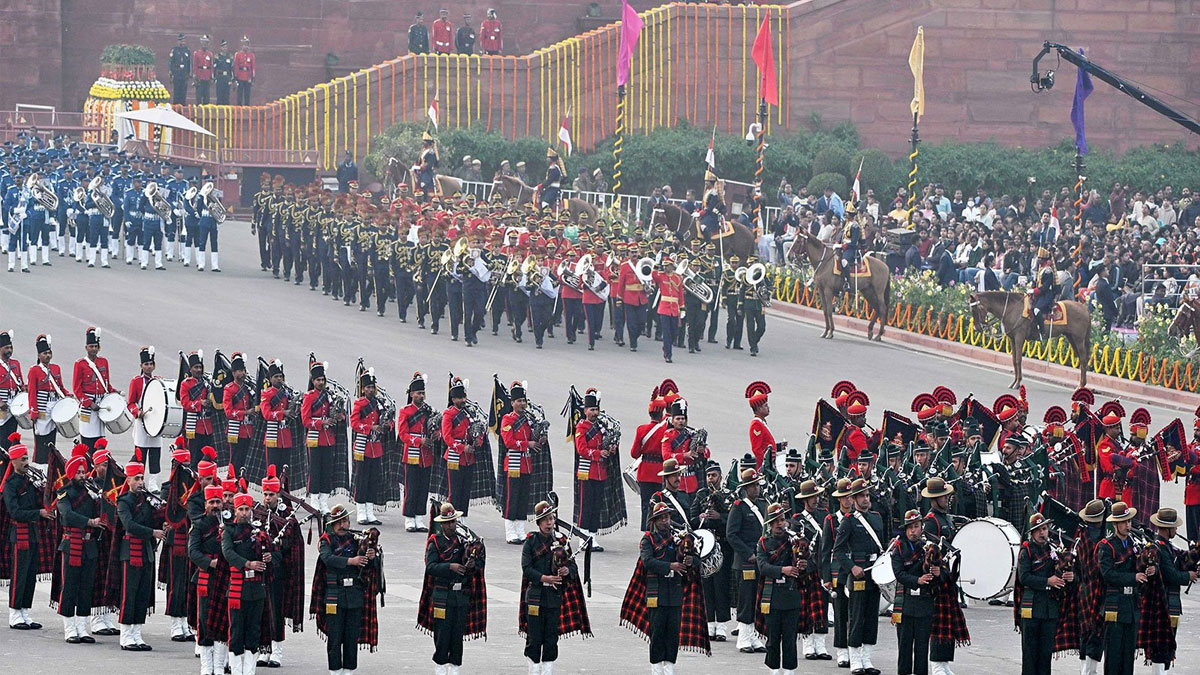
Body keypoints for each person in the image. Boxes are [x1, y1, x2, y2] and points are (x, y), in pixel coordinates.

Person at [619, 501, 710, 674]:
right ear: (654, 521)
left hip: (675, 591)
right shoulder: (648, 539)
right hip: (656, 592)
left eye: (667, 517)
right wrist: (670, 566)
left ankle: (670, 667)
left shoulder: (681, 537)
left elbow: (696, 558)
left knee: (673, 633)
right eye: (661, 518)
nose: (665, 521)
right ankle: (656, 668)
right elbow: (647, 562)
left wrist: (691, 561)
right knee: (658, 632)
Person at [520, 500, 590, 674]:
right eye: (545, 520)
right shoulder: (531, 542)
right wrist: (545, 578)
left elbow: (573, 566)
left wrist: (568, 570)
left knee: (551, 637)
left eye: (551, 519)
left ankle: (547, 671)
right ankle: (534, 670)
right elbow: (526, 568)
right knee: (534, 637)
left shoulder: (562, 541)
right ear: (538, 523)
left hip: (553, 597)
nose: (549, 523)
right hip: (535, 595)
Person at [312, 503, 381, 675]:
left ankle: (348, 671)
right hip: (334, 594)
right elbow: (327, 558)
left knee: (351, 637)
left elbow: (368, 567)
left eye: (346, 521)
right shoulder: (326, 540)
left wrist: (371, 557)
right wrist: (351, 561)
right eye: (339, 522)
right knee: (335, 638)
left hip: (354, 594)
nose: (344, 525)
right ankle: (335, 671)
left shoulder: (356, 539)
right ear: (332, 524)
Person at [419, 502, 487, 675]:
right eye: (448, 522)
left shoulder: (464, 540)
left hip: (460, 596)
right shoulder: (434, 542)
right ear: (442, 524)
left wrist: (472, 564)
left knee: (457, 635)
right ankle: (440, 668)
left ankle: (455, 668)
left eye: (453, 521)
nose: (451, 525)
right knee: (442, 635)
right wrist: (450, 566)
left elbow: (476, 565)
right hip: (442, 596)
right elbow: (431, 567)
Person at [833, 477, 885, 675]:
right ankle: (855, 660)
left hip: (875, 573)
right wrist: (852, 567)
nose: (865, 499)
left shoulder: (877, 517)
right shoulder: (848, 521)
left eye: (867, 495)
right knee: (856, 617)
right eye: (861, 496)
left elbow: (883, 546)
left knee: (872, 616)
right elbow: (837, 550)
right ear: (853, 499)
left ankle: (867, 659)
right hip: (858, 574)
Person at [2, 434, 51, 630]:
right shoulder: (10, 485)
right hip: (18, 534)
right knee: (19, 574)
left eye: (26, 458)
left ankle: (25, 611)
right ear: (13, 461)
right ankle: (14, 613)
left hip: (32, 532)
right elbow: (14, 511)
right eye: (22, 459)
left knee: (31, 574)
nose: (26, 462)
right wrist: (38, 513)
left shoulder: (30, 481)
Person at [115, 451, 163, 651]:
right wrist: (153, 531)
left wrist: (163, 521)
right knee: (130, 592)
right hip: (130, 551)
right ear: (129, 479)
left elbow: (154, 518)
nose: (141, 482)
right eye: (137, 478)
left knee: (143, 592)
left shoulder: (147, 499)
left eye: (142, 478)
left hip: (146, 552)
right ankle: (126, 635)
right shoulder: (123, 501)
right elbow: (130, 525)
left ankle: (137, 633)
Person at [1139, 507, 1196, 674]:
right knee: (1161, 648)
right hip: (1163, 604)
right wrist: (1188, 576)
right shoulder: (1159, 548)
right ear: (1167, 528)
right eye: (1175, 527)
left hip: (1169, 603)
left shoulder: (1166, 546)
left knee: (1166, 647)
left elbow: (1183, 558)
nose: (1177, 530)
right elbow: (1170, 575)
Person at [921, 477, 969, 674]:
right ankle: (937, 665)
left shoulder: (946, 518)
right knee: (939, 623)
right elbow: (929, 553)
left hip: (948, 577)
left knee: (948, 622)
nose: (948, 498)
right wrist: (937, 570)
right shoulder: (930, 522)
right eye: (944, 496)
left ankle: (945, 663)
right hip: (938, 579)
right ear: (935, 498)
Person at [221, 491, 270, 674]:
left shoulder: (258, 531)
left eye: (246, 509)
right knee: (236, 632)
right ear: (235, 510)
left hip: (256, 589)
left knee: (254, 632)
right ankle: (236, 670)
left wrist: (269, 555)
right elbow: (228, 553)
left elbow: (272, 551)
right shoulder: (229, 531)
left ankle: (249, 671)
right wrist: (248, 564)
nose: (243, 512)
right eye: (240, 509)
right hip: (236, 589)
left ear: (251, 511)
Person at [756, 502, 806, 675]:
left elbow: (810, 564)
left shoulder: (795, 540)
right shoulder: (763, 543)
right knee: (773, 636)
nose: (779, 524)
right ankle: (774, 668)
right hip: (771, 596)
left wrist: (803, 564)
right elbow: (762, 567)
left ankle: (790, 669)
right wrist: (781, 570)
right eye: (775, 520)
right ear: (769, 524)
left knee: (790, 637)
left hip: (791, 594)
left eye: (782, 520)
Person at [1016, 513, 1070, 675]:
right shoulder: (1027, 551)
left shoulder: (1055, 550)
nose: (1042, 533)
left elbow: (1063, 575)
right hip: (1031, 608)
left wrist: (1070, 577)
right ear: (1032, 533)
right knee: (1030, 654)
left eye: (1045, 529)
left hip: (1050, 608)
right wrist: (1047, 581)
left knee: (1045, 655)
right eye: (1038, 530)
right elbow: (1024, 577)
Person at [1096, 502, 1143, 675]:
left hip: (1130, 605)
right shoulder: (1106, 546)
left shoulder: (1134, 544)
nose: (1128, 525)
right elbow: (1108, 575)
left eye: (1129, 521)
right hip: (1114, 604)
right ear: (1115, 524)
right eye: (1123, 522)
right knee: (1114, 655)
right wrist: (1133, 577)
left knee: (1128, 656)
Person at [188, 483, 228, 675]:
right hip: (205, 578)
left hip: (225, 580)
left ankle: (219, 665)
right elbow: (193, 552)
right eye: (211, 502)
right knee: (204, 622)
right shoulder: (198, 525)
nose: (215, 506)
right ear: (205, 504)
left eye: (218, 502)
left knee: (222, 621)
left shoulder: (229, 524)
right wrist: (209, 563)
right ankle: (206, 665)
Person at [690, 460, 733, 642]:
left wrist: (720, 517)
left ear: (720, 476)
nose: (711, 479)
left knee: (721, 585)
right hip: (704, 546)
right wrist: (700, 517)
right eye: (708, 475)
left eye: (714, 475)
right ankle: (709, 624)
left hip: (722, 545)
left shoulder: (728, 495)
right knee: (706, 586)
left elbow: (733, 520)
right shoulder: (700, 495)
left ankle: (721, 625)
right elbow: (691, 519)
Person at [727, 467, 767, 654]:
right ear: (745, 487)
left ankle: (754, 636)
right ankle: (743, 638)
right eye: (752, 485)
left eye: (757, 485)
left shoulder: (762, 505)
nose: (756, 489)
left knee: (757, 599)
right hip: (745, 562)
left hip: (760, 558)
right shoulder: (738, 507)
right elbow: (732, 535)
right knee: (746, 599)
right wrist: (748, 554)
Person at [499, 381, 545, 544]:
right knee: (513, 497)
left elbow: (532, 437)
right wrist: (527, 444)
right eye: (519, 401)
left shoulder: (528, 419)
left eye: (524, 401)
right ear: (512, 403)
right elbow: (509, 442)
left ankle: (520, 529)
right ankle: (510, 530)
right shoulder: (507, 419)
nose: (522, 404)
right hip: (513, 462)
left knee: (523, 498)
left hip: (526, 463)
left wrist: (540, 438)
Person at [573, 387, 616, 551]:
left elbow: (606, 443)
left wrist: (611, 449)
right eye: (592, 409)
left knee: (596, 506)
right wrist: (599, 453)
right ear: (585, 410)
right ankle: (583, 538)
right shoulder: (581, 427)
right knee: (586, 506)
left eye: (596, 409)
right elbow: (581, 450)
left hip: (600, 472)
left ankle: (592, 537)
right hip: (587, 471)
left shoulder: (601, 426)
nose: (595, 412)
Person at [300, 359, 344, 515]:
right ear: (313, 381)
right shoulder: (309, 397)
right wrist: (322, 422)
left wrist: (339, 417)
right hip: (314, 437)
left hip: (328, 439)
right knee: (315, 470)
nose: (321, 382)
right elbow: (305, 420)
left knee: (327, 470)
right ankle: (314, 500)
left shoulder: (329, 395)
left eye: (322, 380)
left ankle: (324, 502)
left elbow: (338, 413)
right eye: (318, 380)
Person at [892, 508, 933, 675]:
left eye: (916, 526)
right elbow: (899, 573)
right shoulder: (899, 549)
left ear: (922, 527)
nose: (912, 531)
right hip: (906, 604)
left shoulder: (929, 547)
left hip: (924, 604)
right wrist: (917, 580)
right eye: (909, 527)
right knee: (904, 646)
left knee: (922, 647)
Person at [350, 366, 392, 525]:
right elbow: (354, 423)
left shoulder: (379, 403)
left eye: (373, 387)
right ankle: (361, 511)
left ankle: (370, 511)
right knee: (362, 479)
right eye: (368, 387)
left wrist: (388, 425)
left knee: (373, 480)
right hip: (363, 445)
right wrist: (369, 428)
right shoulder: (360, 404)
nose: (371, 390)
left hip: (376, 447)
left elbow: (387, 420)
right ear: (363, 389)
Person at [396, 372, 434, 532]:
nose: (421, 396)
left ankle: (419, 517)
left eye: (422, 393)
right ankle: (409, 518)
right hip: (411, 454)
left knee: (423, 488)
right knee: (411, 488)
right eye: (418, 393)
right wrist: (419, 441)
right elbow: (403, 434)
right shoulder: (405, 411)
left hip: (426, 455)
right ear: (411, 394)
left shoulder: (428, 411)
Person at [72, 326, 116, 453]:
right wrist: (89, 404)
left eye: (96, 346)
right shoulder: (80, 364)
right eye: (91, 346)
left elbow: (106, 385)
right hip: (88, 408)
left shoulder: (104, 362)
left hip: (101, 407)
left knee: (100, 442)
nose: (94, 349)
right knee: (87, 441)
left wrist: (115, 393)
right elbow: (77, 390)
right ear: (86, 347)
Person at [630, 386, 669, 528]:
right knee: (659, 502)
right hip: (659, 471)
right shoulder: (665, 430)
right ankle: (657, 529)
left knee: (646, 503)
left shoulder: (641, 429)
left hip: (644, 471)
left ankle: (646, 529)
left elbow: (634, 453)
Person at [26, 333, 65, 464]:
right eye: (44, 353)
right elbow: (32, 392)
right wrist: (34, 412)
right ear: (38, 355)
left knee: (51, 441)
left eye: (49, 353)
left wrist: (68, 396)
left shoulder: (56, 368)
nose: (47, 355)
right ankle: (39, 467)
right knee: (40, 442)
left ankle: (49, 468)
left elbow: (60, 387)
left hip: (54, 408)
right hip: (42, 410)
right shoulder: (34, 370)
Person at [179, 350, 216, 468]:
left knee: (207, 458)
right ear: (190, 369)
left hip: (207, 425)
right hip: (194, 426)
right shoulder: (186, 384)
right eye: (196, 367)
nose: (199, 370)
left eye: (200, 367)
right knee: (194, 459)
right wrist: (200, 403)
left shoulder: (207, 382)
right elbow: (185, 403)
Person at [221, 352, 255, 473]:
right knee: (235, 460)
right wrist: (246, 412)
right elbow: (229, 412)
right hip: (236, 430)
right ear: (234, 373)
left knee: (246, 461)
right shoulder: (229, 389)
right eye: (239, 371)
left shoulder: (249, 387)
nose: (243, 373)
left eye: (243, 370)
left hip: (248, 430)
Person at [651, 253, 684, 363]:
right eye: (664, 265)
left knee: (674, 332)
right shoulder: (661, 276)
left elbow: (680, 295)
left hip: (674, 309)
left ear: (672, 266)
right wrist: (656, 265)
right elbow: (654, 276)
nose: (665, 267)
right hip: (664, 308)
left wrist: (682, 307)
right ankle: (668, 354)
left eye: (667, 265)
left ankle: (667, 347)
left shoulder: (678, 278)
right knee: (666, 332)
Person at [0, 330, 24, 447]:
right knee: (2, 436)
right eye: (6, 348)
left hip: (14, 407)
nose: (9, 350)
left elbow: (20, 384)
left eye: (10, 347)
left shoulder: (16, 364)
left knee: (12, 438)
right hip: (1, 408)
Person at [169, 33, 191, 105]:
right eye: (181, 40)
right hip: (177, 72)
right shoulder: (175, 50)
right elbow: (171, 62)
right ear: (178, 41)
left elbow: (189, 63)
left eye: (183, 40)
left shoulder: (187, 50)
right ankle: (176, 105)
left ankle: (182, 105)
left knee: (183, 90)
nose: (182, 42)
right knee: (177, 90)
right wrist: (171, 72)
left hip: (184, 73)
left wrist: (189, 73)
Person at [193, 35, 215, 104]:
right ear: (201, 43)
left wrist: (211, 75)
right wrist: (195, 75)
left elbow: (211, 65)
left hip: (207, 76)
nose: (205, 45)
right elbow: (195, 65)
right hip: (199, 76)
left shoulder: (210, 54)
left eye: (206, 43)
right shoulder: (197, 53)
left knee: (206, 95)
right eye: (204, 43)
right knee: (199, 94)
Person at [542, 148, 565, 212]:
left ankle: (547, 216)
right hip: (550, 188)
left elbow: (549, 180)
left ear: (552, 159)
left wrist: (541, 185)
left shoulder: (554, 168)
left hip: (553, 189)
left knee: (544, 203)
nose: (547, 159)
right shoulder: (553, 167)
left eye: (548, 157)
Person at [234, 36, 255, 105]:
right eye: (244, 45)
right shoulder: (238, 55)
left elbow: (252, 67)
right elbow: (236, 66)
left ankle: (247, 106)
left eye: (247, 45)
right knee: (240, 92)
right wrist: (236, 76)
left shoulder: (251, 55)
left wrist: (252, 77)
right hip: (240, 76)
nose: (245, 47)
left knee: (247, 93)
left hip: (248, 76)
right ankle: (239, 106)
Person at [214, 40, 234, 105]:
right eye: (223, 47)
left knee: (226, 95)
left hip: (227, 78)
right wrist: (214, 78)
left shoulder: (230, 56)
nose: (225, 48)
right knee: (219, 94)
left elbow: (232, 68)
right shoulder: (217, 56)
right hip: (220, 77)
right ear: (221, 48)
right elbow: (214, 68)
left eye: (226, 47)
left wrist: (231, 79)